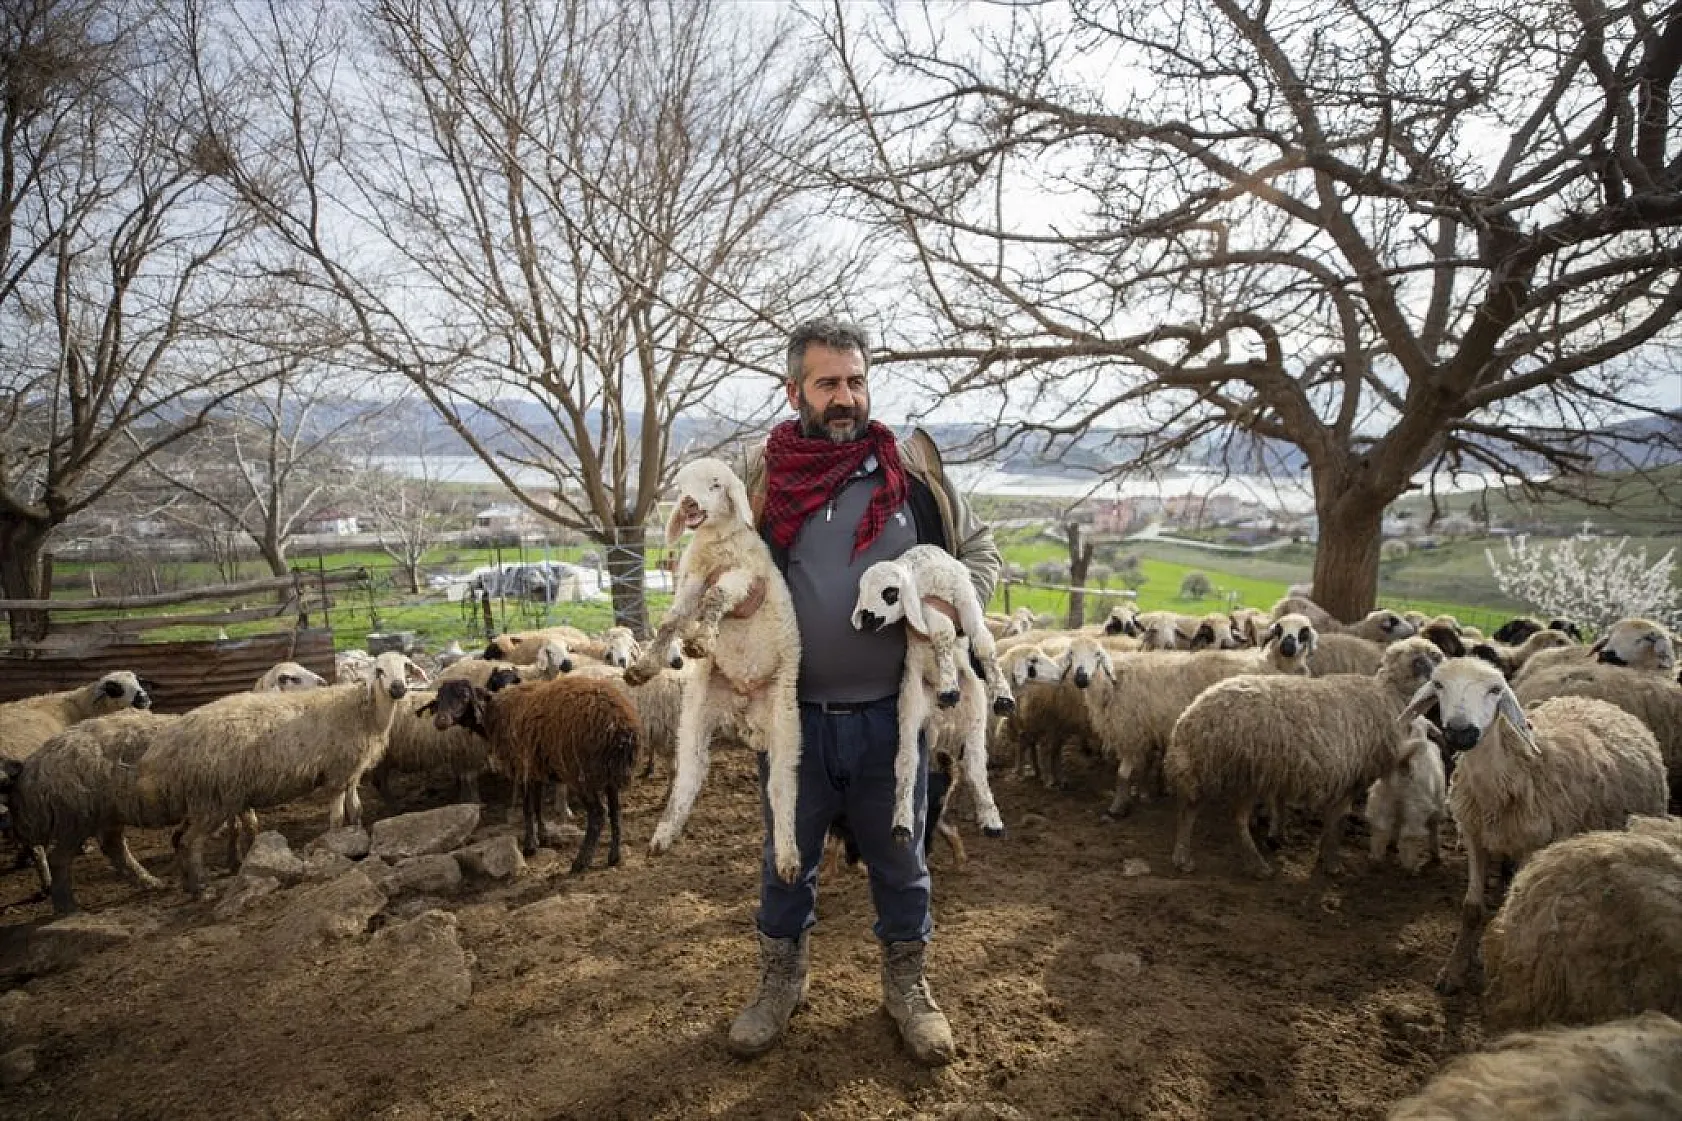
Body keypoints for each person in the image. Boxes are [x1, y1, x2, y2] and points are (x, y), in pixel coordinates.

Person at [728, 317, 1001, 1065]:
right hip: (795, 720)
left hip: (893, 718)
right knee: (786, 856)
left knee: (902, 858)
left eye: (855, 380)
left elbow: (977, 550)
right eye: (827, 383)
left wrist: (954, 600)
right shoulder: (765, 475)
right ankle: (780, 983)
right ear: (795, 391)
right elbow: (713, 560)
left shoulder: (907, 470)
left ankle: (908, 987)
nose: (845, 397)